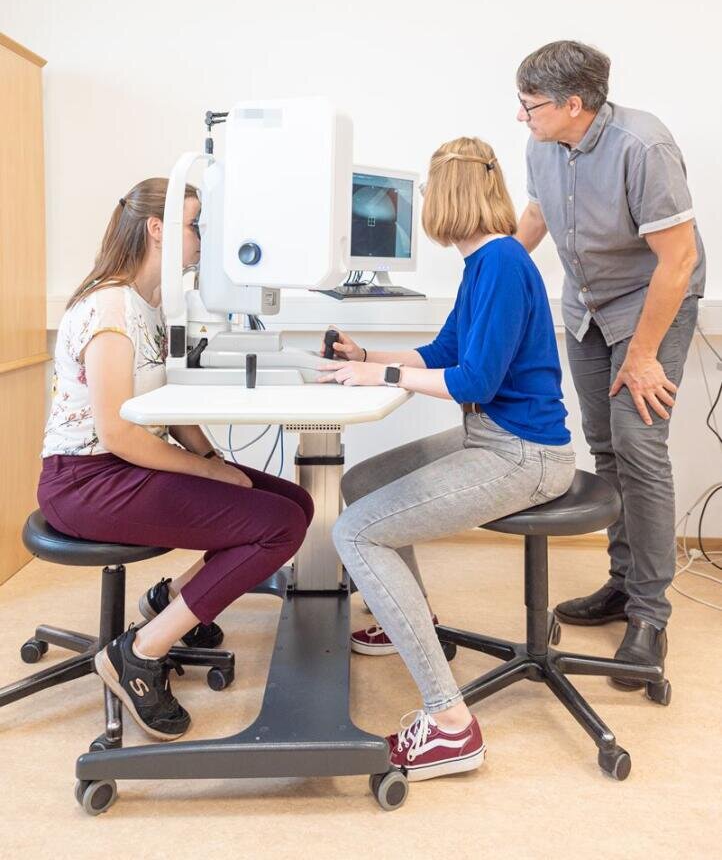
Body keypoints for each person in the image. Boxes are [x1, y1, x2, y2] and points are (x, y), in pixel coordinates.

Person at [321, 137, 575, 782]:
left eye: (430, 191)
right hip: (496, 439)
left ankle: (449, 725)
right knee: (363, 481)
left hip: (523, 456)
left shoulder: (503, 263)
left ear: (450, 195)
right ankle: (414, 616)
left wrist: (383, 379)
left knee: (355, 531)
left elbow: (473, 383)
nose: (424, 203)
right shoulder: (486, 263)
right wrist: (369, 358)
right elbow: (443, 353)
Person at [38, 178, 313, 741]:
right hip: (86, 481)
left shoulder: (152, 304)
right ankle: (139, 653)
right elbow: (116, 431)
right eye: (194, 227)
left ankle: (167, 601)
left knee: (293, 501)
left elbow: (166, 400)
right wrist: (210, 472)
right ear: (157, 230)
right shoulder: (112, 308)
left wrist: (212, 456)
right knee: (277, 527)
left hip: (128, 466)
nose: (200, 240)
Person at [514, 40, 705, 684]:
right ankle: (622, 585)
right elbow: (537, 215)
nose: (522, 115)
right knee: (604, 446)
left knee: (640, 447)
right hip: (588, 308)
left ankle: (650, 616)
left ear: (575, 103)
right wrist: (497, 273)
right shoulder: (544, 142)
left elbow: (676, 261)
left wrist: (646, 353)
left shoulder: (642, 147)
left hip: (651, 307)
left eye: (530, 104)